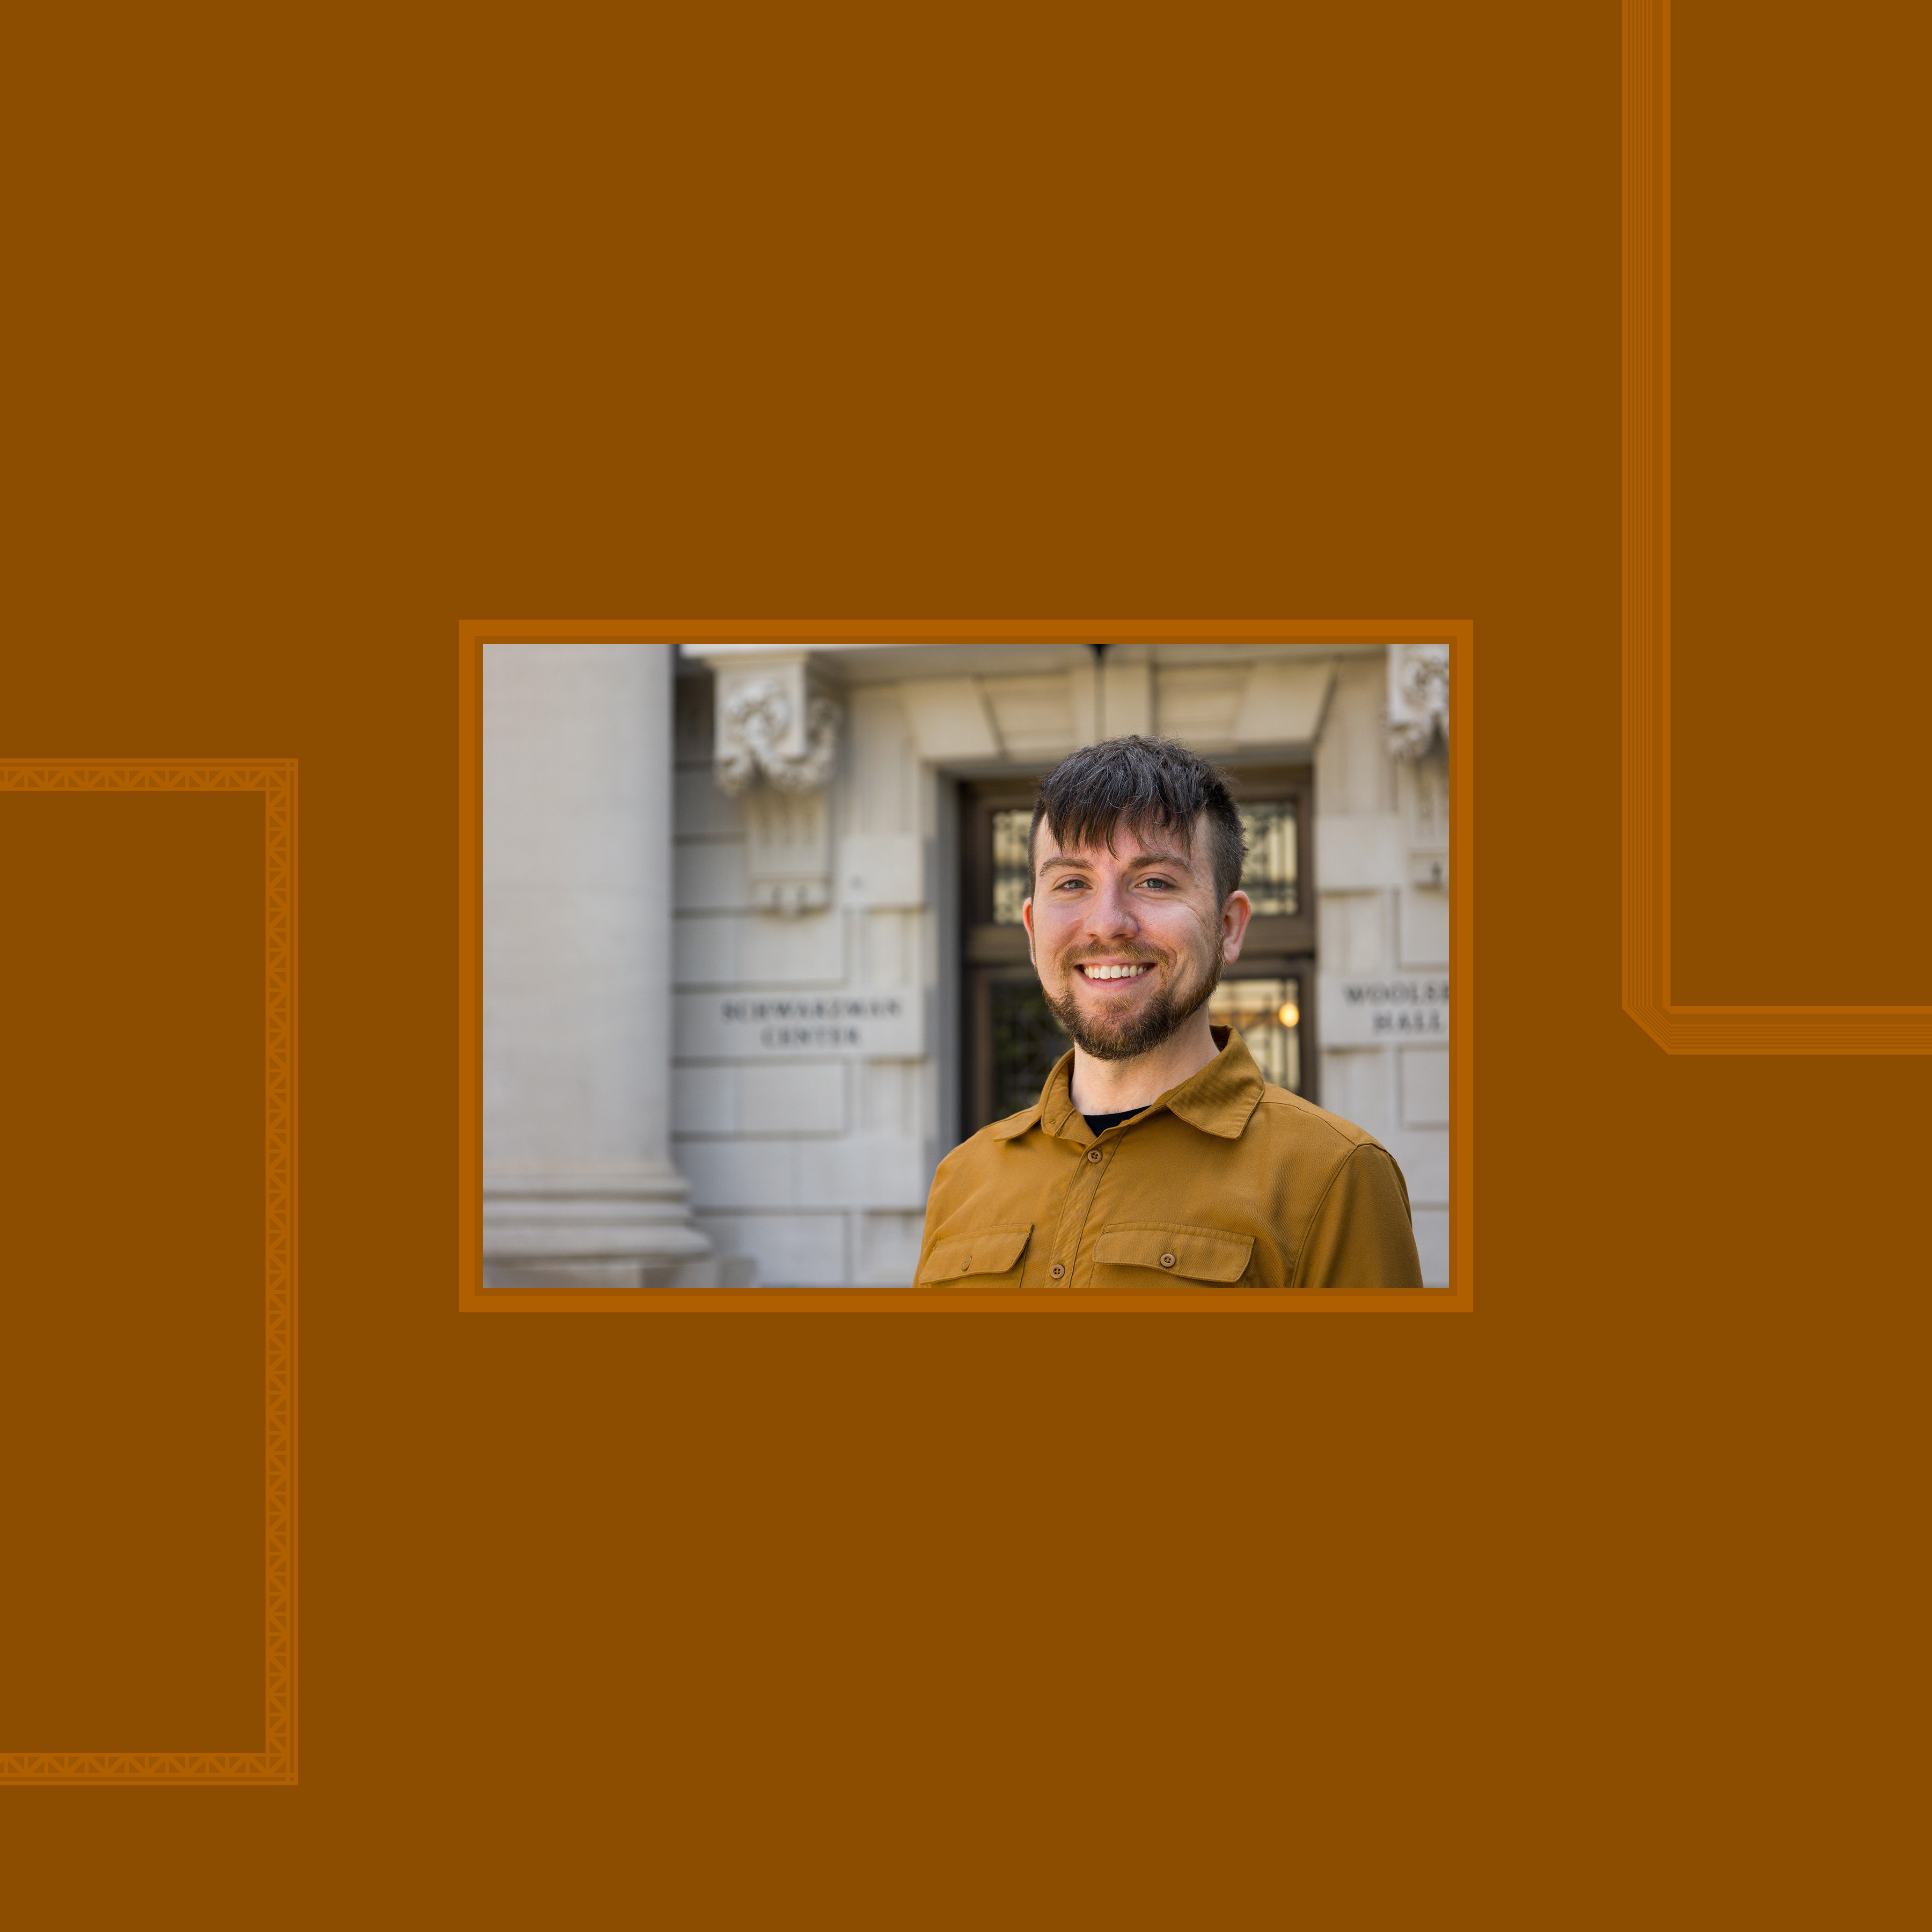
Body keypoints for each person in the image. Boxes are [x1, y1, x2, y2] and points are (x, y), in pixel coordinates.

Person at [916, 736, 1426, 1291]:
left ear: (1228, 927)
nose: (1107, 923)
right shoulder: (962, 1177)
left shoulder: (1336, 1174)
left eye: (1155, 882)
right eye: (1072, 883)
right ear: (1033, 930)